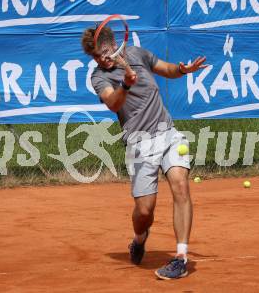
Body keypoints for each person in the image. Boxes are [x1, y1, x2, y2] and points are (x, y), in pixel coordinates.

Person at [81, 26, 207, 280]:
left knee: (180, 186)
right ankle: (139, 239)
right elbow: (114, 103)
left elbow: (166, 69)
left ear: (116, 44)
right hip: (139, 143)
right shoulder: (98, 78)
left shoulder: (138, 54)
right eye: (96, 57)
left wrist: (183, 70)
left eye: (104, 53)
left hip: (168, 132)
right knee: (144, 212)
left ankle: (181, 257)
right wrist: (125, 86)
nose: (101, 59)